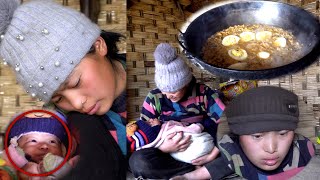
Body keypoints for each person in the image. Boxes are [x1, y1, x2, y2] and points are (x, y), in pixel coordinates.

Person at [0, 0, 127, 179]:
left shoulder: (155, 82)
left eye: (75, 82)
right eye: (59, 98)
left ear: (99, 46)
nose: (76, 103)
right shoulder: (60, 124)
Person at [171, 86, 316, 180]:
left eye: (283, 133)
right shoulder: (232, 148)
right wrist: (189, 177)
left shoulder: (304, 150)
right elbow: (224, 162)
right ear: (238, 137)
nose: (271, 149)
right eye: (257, 136)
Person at [129, 43, 226, 179]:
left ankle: (200, 170)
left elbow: (226, 122)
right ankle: (199, 172)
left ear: (185, 83)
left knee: (240, 149)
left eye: (174, 91)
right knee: (138, 162)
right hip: (169, 155)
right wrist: (165, 148)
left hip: (203, 150)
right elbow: (144, 134)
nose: (169, 96)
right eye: (164, 91)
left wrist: (212, 155)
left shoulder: (204, 93)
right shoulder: (155, 97)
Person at [1, 114, 78, 179]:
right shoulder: (11, 162)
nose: (44, 146)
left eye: (52, 142)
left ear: (62, 150)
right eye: (33, 141)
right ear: (16, 146)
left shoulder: (71, 164)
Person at [127, 119, 218, 164]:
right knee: (139, 161)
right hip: (197, 146)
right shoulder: (154, 99)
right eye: (150, 123)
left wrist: (212, 155)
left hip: (194, 156)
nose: (151, 119)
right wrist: (163, 149)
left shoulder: (205, 95)